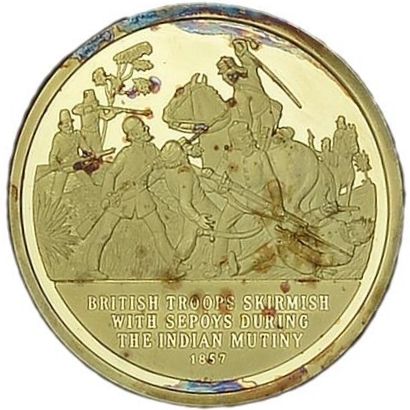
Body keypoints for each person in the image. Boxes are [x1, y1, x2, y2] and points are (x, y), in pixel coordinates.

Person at [85, 116, 175, 278]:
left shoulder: (152, 149)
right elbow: (111, 174)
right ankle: (92, 269)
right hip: (121, 198)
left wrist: (160, 167)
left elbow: (159, 170)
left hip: (142, 197)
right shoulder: (126, 154)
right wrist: (106, 196)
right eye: (141, 127)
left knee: (159, 230)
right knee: (104, 233)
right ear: (133, 135)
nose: (146, 128)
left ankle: (175, 265)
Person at [209, 121, 284, 276]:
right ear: (235, 142)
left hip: (260, 201)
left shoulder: (260, 155)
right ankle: (217, 265)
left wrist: (277, 203)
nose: (249, 139)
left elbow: (272, 181)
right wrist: (220, 186)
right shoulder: (229, 156)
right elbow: (217, 178)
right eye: (243, 138)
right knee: (221, 227)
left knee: (277, 231)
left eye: (248, 135)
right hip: (237, 201)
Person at [160, 140, 219, 275]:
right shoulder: (184, 175)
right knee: (224, 226)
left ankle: (174, 267)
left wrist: (202, 172)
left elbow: (189, 168)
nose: (184, 152)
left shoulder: (171, 170)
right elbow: (185, 203)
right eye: (181, 151)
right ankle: (219, 265)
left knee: (188, 238)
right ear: (178, 156)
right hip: (199, 207)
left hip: (192, 208)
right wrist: (198, 219)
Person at [217, 39, 282, 149]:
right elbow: (248, 63)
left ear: (236, 71)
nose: (229, 78)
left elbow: (246, 119)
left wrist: (241, 52)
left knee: (259, 149)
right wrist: (241, 52)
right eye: (226, 76)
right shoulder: (240, 88)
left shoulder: (245, 85)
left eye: (230, 75)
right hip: (264, 114)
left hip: (264, 119)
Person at [48, 109, 94, 200]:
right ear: (60, 126)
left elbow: (85, 147)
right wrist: (55, 164)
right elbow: (53, 156)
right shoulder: (58, 138)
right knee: (56, 193)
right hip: (64, 167)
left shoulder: (77, 134)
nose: (69, 125)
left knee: (89, 184)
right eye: (66, 124)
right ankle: (53, 206)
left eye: (70, 122)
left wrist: (90, 153)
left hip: (76, 165)